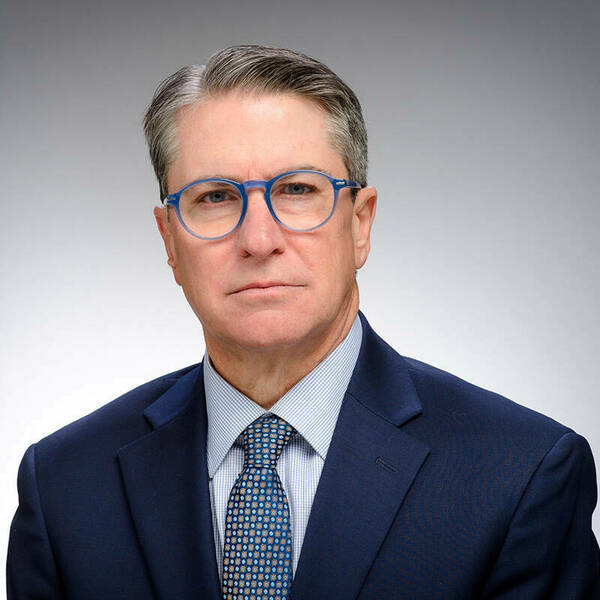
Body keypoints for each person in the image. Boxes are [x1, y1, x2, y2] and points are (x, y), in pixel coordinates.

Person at [7, 44, 599, 600]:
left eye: (296, 189)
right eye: (215, 197)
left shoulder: (521, 474)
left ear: (360, 223)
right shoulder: (64, 485)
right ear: (169, 239)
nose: (258, 239)